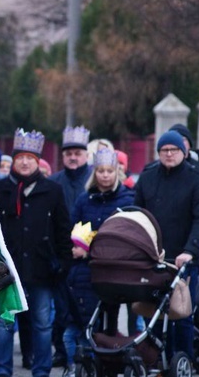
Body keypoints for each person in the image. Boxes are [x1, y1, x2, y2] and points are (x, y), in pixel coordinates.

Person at [0, 129, 72, 377]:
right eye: (20, 157)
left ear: (38, 161)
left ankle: (41, 371)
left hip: (42, 268)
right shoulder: (1, 189)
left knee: (42, 325)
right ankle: (2, 371)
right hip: (7, 270)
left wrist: (63, 262)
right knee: (4, 324)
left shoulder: (52, 191)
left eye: (30, 158)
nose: (25, 162)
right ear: (13, 160)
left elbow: (62, 230)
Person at [134, 130, 199, 361]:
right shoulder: (147, 177)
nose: (169, 154)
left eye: (174, 150)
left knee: (181, 315)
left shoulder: (197, 178)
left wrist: (190, 251)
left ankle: (182, 359)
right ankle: (155, 361)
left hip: (184, 257)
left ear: (184, 152)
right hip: (153, 257)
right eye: (164, 150)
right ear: (158, 153)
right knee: (150, 313)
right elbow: (138, 214)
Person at [63, 148, 134, 375]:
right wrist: (78, 245)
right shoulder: (85, 199)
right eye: (101, 171)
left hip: (115, 268)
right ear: (95, 173)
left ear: (116, 173)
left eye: (109, 171)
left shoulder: (127, 198)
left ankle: (110, 363)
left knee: (110, 319)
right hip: (87, 270)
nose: (105, 175)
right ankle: (86, 364)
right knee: (87, 320)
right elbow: (73, 226)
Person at [47, 125, 91, 367]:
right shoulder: (54, 182)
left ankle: (88, 351)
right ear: (62, 156)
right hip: (62, 255)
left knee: (84, 308)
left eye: (78, 152)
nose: (73, 157)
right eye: (68, 153)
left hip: (90, 257)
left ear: (86, 155)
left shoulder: (94, 180)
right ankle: (61, 350)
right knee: (60, 309)